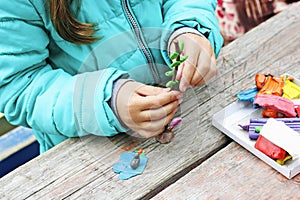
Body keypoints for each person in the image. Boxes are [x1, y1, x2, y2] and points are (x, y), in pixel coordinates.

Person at [0, 0, 223, 153]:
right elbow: (19, 86)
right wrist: (108, 99)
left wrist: (189, 28)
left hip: (189, 120)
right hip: (87, 156)